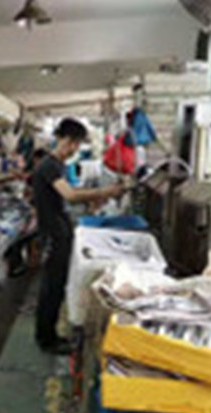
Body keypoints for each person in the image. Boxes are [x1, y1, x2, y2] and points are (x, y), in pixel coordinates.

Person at [33, 118, 125, 354]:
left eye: (77, 143)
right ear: (61, 138)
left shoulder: (58, 166)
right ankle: (46, 339)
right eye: (72, 142)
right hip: (53, 235)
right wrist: (105, 192)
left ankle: (50, 334)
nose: (74, 148)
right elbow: (70, 195)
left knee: (56, 286)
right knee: (51, 288)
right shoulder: (49, 165)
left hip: (59, 231)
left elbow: (66, 198)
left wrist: (92, 200)